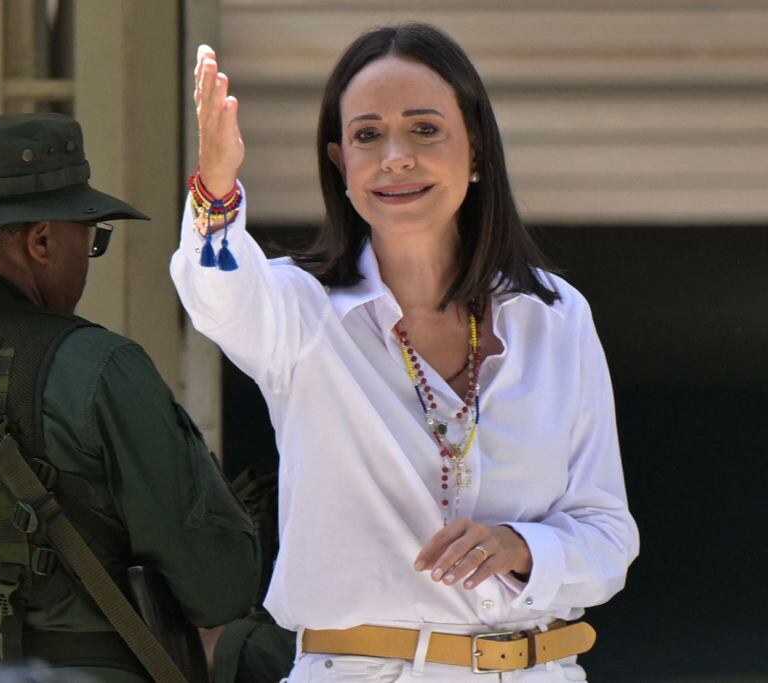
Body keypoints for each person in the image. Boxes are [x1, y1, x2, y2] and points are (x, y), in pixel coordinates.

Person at [171, 24, 640, 683]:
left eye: (424, 130)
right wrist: (216, 189)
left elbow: (608, 539)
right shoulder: (299, 312)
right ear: (340, 163)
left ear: (475, 150)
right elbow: (215, 292)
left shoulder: (555, 317)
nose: (395, 156)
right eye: (367, 135)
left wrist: (521, 547)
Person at [0, 113, 260, 680]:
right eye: (92, 238)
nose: (88, 257)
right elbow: (220, 586)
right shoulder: (96, 367)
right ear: (44, 240)